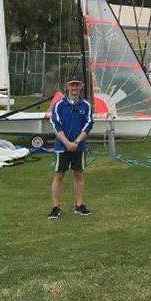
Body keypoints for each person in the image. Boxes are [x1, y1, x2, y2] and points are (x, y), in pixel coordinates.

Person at [48, 77, 94, 219]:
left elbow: (89, 124)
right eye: (72, 85)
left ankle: (79, 205)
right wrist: (67, 142)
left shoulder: (86, 105)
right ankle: (55, 207)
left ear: (81, 87)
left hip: (79, 147)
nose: (74, 88)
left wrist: (77, 141)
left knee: (79, 174)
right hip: (62, 146)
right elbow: (56, 125)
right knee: (59, 175)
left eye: (77, 85)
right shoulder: (59, 105)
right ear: (67, 87)